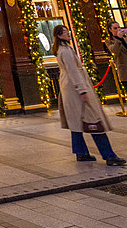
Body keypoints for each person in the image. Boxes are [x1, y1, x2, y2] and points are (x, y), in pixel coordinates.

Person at [53, 24, 126, 166]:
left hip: (69, 89)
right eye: (66, 32)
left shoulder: (63, 49)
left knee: (76, 123)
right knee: (95, 121)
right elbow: (73, 71)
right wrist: (82, 91)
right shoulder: (66, 51)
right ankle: (109, 156)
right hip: (75, 91)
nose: (69, 34)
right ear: (60, 35)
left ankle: (81, 153)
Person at [106, 21, 127, 89]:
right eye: (115, 28)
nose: (118, 30)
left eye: (119, 27)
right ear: (110, 29)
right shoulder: (109, 41)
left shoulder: (125, 37)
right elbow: (115, 51)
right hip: (125, 71)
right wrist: (119, 38)